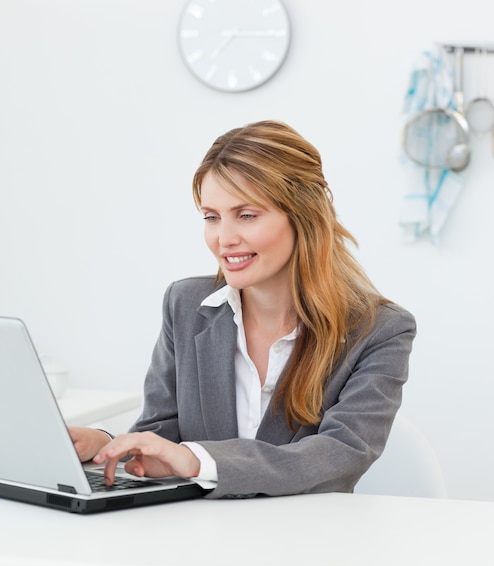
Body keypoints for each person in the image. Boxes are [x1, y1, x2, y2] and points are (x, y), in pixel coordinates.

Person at [69, 120, 416, 499]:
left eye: (246, 215)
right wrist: (106, 446)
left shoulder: (379, 330)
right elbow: (161, 434)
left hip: (309, 542)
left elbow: (341, 453)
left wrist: (199, 462)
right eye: (211, 217)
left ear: (305, 216)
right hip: (194, 539)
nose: (224, 239)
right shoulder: (184, 305)